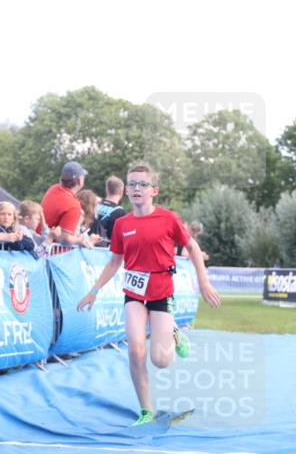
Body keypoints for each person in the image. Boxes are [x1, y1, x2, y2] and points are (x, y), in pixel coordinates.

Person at [77, 163, 220, 426]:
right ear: (127, 191)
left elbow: (192, 246)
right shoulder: (122, 224)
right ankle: (146, 410)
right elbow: (114, 261)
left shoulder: (168, 219)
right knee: (135, 349)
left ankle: (173, 331)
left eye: (142, 184)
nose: (136, 189)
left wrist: (204, 282)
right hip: (134, 293)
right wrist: (93, 291)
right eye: (131, 184)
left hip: (161, 294)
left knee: (161, 360)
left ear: (154, 190)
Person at [41, 161, 96, 247]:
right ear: (79, 181)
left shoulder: (53, 188)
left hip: (38, 243)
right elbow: (64, 239)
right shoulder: (73, 206)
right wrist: (79, 240)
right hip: (50, 252)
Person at [96, 175, 128, 240]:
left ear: (106, 190)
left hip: (87, 245)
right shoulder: (120, 212)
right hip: (105, 248)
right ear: (121, 192)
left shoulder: (95, 204)